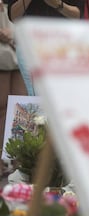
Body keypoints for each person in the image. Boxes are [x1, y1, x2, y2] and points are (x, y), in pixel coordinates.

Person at [7, 0, 84, 96]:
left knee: (62, 96)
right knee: (36, 96)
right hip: (30, 46)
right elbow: (13, 16)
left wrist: (57, 4)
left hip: (63, 47)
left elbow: (78, 15)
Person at [0, 0, 27, 172]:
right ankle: (3, 160)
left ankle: (20, 159)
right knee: (2, 106)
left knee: (22, 107)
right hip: (4, 46)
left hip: (19, 37)